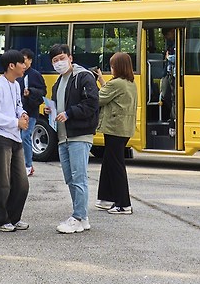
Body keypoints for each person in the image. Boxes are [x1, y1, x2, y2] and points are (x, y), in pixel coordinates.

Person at [49, 43, 100, 234]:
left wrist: (70, 113)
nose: (59, 63)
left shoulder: (83, 76)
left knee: (79, 177)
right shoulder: (58, 82)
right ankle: (82, 217)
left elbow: (92, 102)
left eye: (62, 58)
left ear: (70, 57)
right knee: (70, 178)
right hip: (63, 136)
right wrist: (52, 109)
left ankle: (77, 217)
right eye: (55, 60)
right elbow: (59, 104)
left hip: (80, 133)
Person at [0, 50, 31, 232]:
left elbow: (17, 105)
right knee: (1, 182)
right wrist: (15, 122)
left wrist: (22, 114)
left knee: (21, 183)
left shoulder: (16, 85)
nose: (25, 66)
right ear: (12, 66)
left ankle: (13, 217)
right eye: (22, 63)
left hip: (14, 137)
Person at [94, 51, 136, 215]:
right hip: (124, 128)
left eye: (112, 66)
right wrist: (102, 81)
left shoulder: (117, 83)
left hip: (114, 128)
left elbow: (98, 99)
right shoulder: (129, 82)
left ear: (118, 67)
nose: (110, 69)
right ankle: (106, 198)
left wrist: (91, 85)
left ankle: (123, 204)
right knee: (109, 161)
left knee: (116, 165)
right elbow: (110, 93)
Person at [18, 49, 46, 177]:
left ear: (30, 60)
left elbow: (42, 91)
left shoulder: (35, 75)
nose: (22, 63)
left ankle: (28, 165)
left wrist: (31, 92)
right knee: (18, 138)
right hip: (18, 111)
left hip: (31, 111)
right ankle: (20, 164)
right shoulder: (17, 74)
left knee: (26, 136)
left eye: (24, 59)